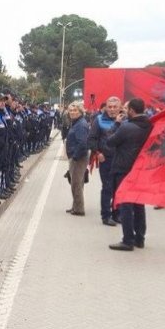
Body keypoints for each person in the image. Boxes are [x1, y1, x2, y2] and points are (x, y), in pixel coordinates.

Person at [107, 98, 153, 251]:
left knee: (126, 205)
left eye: (126, 109)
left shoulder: (126, 127)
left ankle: (128, 239)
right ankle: (140, 238)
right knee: (139, 204)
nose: (124, 111)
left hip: (124, 169)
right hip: (140, 169)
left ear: (132, 110)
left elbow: (110, 141)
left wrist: (116, 124)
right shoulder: (150, 125)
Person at [88, 97, 122, 226]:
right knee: (107, 188)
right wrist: (98, 153)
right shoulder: (99, 120)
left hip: (121, 160)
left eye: (115, 107)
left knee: (118, 188)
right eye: (110, 107)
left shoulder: (125, 120)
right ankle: (106, 216)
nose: (112, 109)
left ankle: (117, 213)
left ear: (120, 107)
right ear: (106, 107)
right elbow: (91, 139)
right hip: (106, 159)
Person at [65, 101, 89, 216]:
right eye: (71, 110)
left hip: (78, 158)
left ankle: (79, 209)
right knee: (77, 182)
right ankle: (76, 205)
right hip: (76, 156)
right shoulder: (76, 123)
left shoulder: (81, 124)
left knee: (76, 183)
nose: (72, 112)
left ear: (80, 111)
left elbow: (82, 143)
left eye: (75, 110)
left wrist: (75, 157)